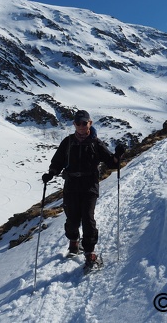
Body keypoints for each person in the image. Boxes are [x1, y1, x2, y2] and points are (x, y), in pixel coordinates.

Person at [42, 110, 126, 271]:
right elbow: (57, 161)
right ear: (74, 124)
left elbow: (112, 163)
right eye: (78, 123)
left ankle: (90, 252)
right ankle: (74, 242)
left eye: (84, 123)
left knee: (88, 218)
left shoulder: (96, 143)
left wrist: (118, 155)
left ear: (90, 123)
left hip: (89, 185)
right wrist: (51, 173)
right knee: (72, 218)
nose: (81, 126)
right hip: (71, 184)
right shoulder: (68, 142)